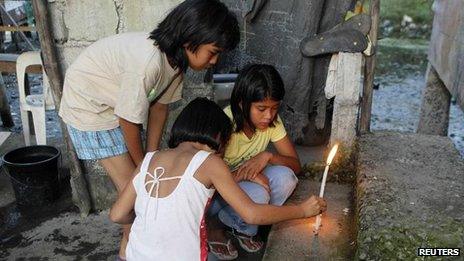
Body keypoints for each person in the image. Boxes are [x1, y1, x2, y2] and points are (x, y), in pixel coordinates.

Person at [58, 0, 240, 259]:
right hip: (89, 107)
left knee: (140, 190)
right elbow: (128, 122)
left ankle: (130, 250)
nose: (215, 60)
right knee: (134, 201)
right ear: (190, 40)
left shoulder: (176, 65)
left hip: (113, 107)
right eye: (213, 52)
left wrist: (150, 158)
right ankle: (130, 253)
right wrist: (144, 167)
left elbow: (159, 109)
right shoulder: (149, 62)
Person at [109, 98, 327, 261]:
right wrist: (302, 211)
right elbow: (251, 213)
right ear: (217, 137)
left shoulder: (149, 158)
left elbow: (117, 214)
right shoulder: (209, 162)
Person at [207, 64, 302, 259]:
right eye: (261, 109)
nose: (269, 115)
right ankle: (214, 227)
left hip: (241, 184)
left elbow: (295, 165)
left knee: (287, 178)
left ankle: (240, 227)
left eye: (274, 108)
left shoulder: (271, 122)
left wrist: (268, 156)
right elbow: (207, 180)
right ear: (242, 104)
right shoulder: (225, 124)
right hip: (214, 192)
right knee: (259, 193)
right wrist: (249, 175)